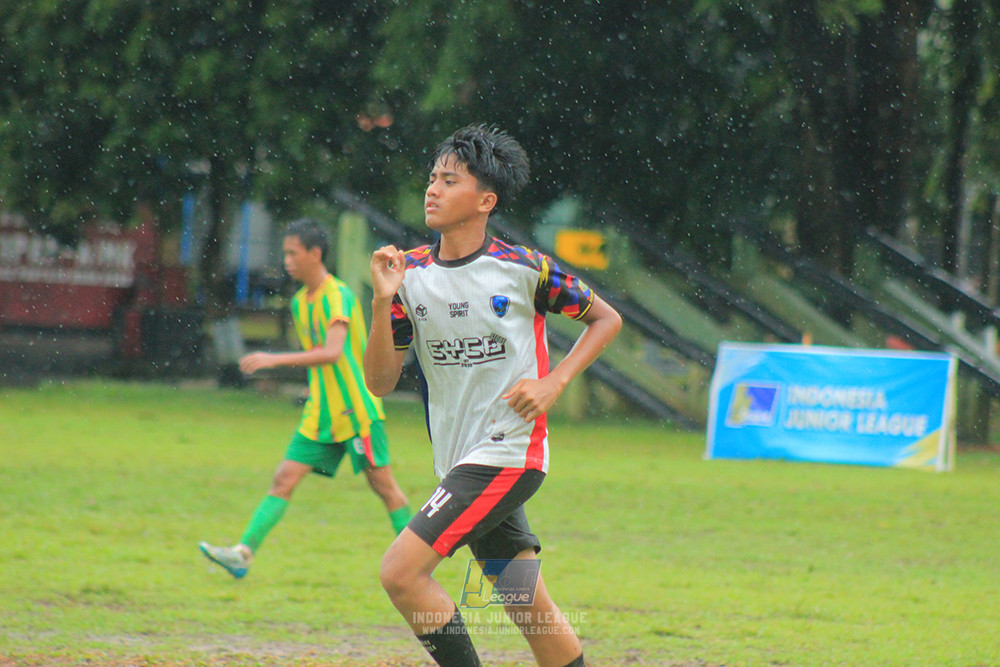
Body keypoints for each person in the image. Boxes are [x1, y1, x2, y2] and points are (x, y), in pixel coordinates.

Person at [365, 124, 622, 667]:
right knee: (527, 603)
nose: (432, 189)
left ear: (486, 200)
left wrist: (555, 382)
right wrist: (380, 303)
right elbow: (380, 383)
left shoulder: (524, 270)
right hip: (459, 459)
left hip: (508, 454)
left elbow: (606, 318)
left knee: (401, 573)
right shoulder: (406, 275)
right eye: (432, 177)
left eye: (449, 180)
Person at [199, 218, 413, 579]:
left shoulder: (338, 295)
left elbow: (331, 352)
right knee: (283, 478)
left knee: (385, 488)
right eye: (285, 253)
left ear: (315, 254)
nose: (286, 260)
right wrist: (311, 389)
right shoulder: (301, 302)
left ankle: (417, 564)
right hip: (321, 415)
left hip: (355, 411)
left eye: (292, 253)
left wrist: (273, 359)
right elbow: (322, 364)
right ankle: (242, 555)